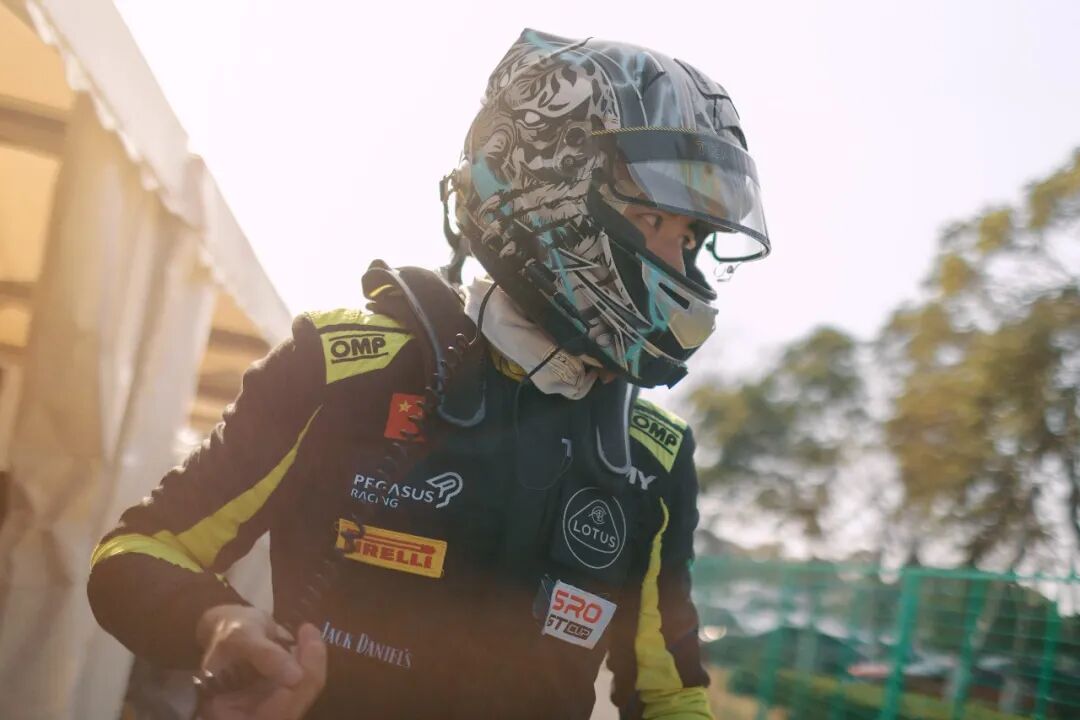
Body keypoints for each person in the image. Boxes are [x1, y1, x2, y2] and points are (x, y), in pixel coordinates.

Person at [87, 28, 770, 720]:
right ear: (549, 186)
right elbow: (136, 550)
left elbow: (671, 694)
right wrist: (215, 620)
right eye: (652, 218)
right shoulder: (341, 367)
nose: (678, 263)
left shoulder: (651, 456)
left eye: (690, 237)